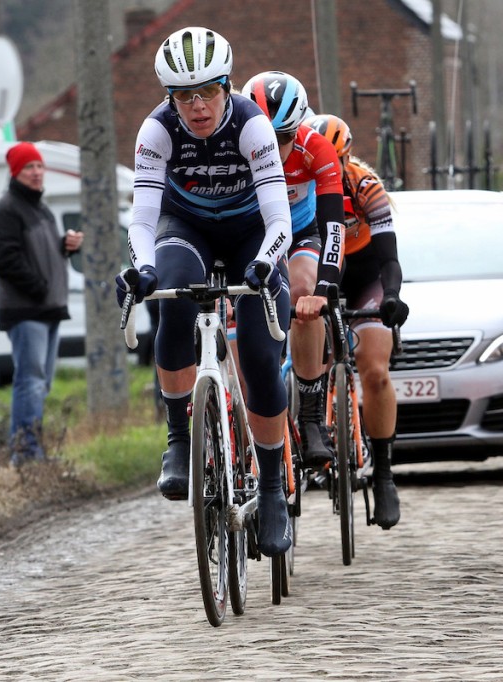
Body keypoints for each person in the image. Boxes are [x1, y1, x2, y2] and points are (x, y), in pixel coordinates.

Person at [115, 27, 300, 557]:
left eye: (208, 92)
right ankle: (178, 438)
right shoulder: (157, 131)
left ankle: (269, 491)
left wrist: (266, 265)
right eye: (183, 96)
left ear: (227, 85)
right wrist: (143, 270)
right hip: (187, 227)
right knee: (170, 299)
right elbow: (144, 219)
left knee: (262, 358)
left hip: (251, 235)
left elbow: (278, 218)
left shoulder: (252, 124)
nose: (196, 107)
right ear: (169, 98)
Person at [308, 113, 409, 529]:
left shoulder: (365, 185)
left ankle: (383, 473)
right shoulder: (296, 182)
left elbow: (388, 257)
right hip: (319, 271)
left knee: (376, 371)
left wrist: (391, 297)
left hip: (365, 272)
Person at [241, 70, 346, 468]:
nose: (277, 148)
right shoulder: (234, 146)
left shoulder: (315, 148)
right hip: (252, 233)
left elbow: (333, 224)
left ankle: (312, 416)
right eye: (269, 138)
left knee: (304, 296)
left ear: (298, 128)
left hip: (302, 231)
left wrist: (324, 287)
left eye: (285, 137)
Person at [0, 141, 84, 468]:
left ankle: (33, 450)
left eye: (39, 166)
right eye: (29, 167)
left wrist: (63, 246)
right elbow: (4, 259)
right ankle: (26, 454)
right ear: (16, 172)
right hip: (27, 310)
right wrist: (39, 287)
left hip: (47, 308)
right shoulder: (7, 209)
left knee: (40, 382)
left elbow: (34, 252)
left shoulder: (39, 208)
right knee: (29, 380)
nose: (37, 172)